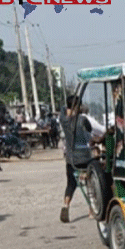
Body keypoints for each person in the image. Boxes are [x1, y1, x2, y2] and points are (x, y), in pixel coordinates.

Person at [59, 94, 80, 223]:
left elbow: (63, 110)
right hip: (82, 157)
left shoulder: (63, 120)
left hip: (69, 158)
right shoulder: (80, 120)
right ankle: (92, 210)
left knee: (70, 183)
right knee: (91, 180)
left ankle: (66, 205)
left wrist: (68, 108)